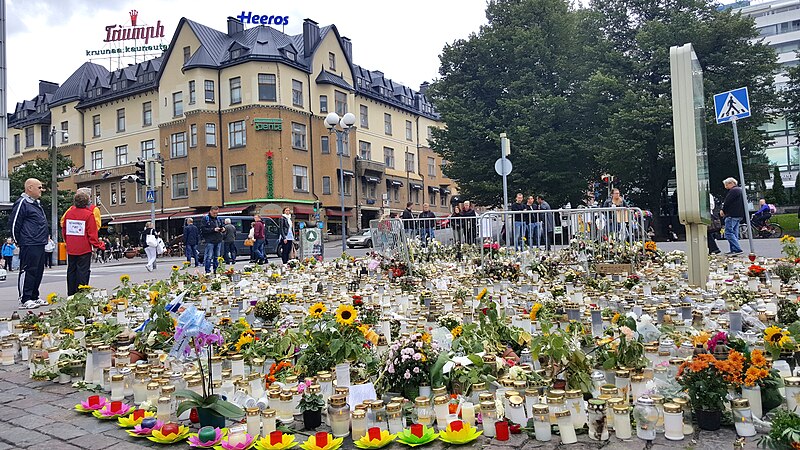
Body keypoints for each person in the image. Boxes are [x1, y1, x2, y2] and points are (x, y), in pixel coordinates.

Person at [9, 178, 49, 309]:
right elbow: (14, 223)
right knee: (28, 270)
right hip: (29, 242)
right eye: (39, 187)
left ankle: (34, 296)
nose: (41, 190)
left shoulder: (36, 204)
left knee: (38, 270)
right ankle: (24, 298)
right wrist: (19, 241)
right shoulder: (22, 203)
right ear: (30, 188)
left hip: (39, 242)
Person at [63, 190, 105, 296]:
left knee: (71, 270)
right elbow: (92, 233)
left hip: (71, 247)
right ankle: (81, 293)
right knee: (83, 271)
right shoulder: (89, 215)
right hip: (84, 248)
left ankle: (71, 293)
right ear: (87, 202)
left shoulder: (69, 213)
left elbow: (64, 229)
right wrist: (98, 245)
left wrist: (67, 241)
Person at [720, 177, 745, 255]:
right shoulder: (740, 190)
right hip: (739, 215)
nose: (725, 186)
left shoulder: (733, 191)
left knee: (728, 233)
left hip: (731, 215)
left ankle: (737, 249)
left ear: (731, 183)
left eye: (726, 184)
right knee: (734, 233)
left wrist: (723, 210)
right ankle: (733, 249)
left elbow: (727, 202)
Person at [201, 206, 224, 273]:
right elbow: (203, 229)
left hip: (218, 240)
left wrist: (223, 229)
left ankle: (216, 270)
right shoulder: (205, 219)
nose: (215, 214)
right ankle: (207, 271)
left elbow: (222, 226)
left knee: (217, 257)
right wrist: (213, 229)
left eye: (217, 213)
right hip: (210, 240)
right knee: (209, 256)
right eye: (214, 213)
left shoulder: (218, 219)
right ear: (210, 211)